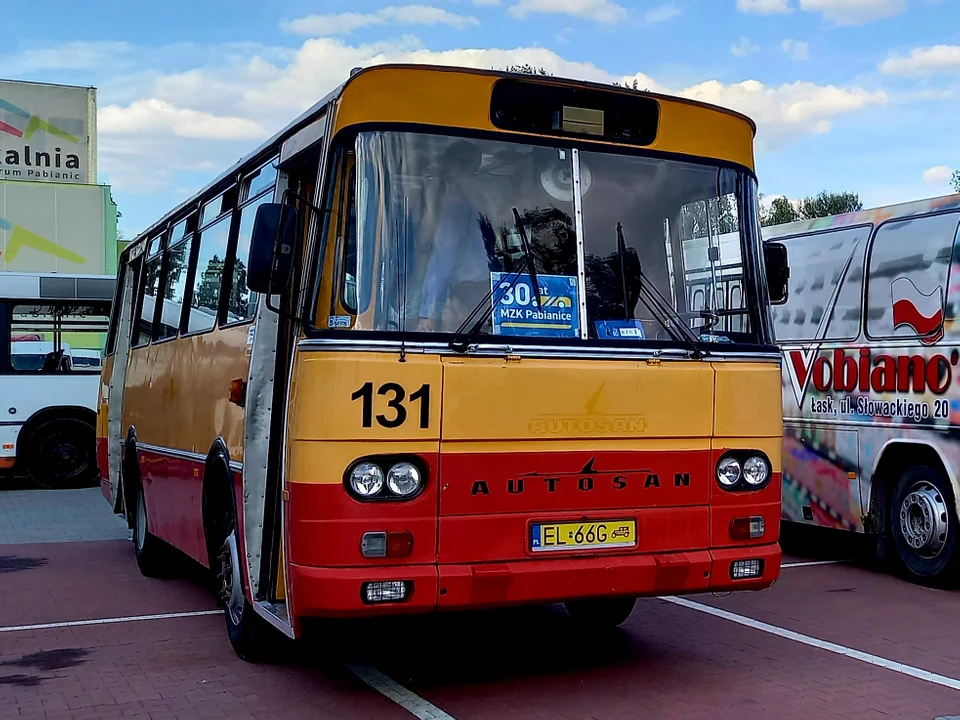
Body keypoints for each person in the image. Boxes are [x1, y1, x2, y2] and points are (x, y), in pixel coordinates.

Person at [416, 140, 493, 331]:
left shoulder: (456, 202)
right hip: (481, 294)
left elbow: (443, 257)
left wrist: (429, 314)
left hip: (466, 295)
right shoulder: (481, 198)